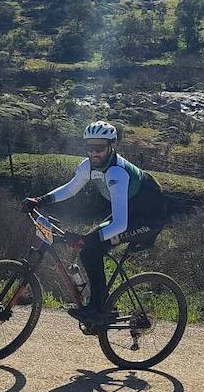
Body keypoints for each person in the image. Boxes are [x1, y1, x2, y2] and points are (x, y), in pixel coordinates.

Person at [23, 121, 167, 330]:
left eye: (99, 148)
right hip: (130, 211)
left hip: (149, 218)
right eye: (89, 147)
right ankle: (103, 308)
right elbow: (70, 189)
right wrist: (40, 200)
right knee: (89, 248)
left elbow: (119, 224)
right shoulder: (88, 166)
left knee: (90, 248)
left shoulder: (116, 173)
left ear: (112, 145)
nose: (94, 153)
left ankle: (97, 308)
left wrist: (86, 239)